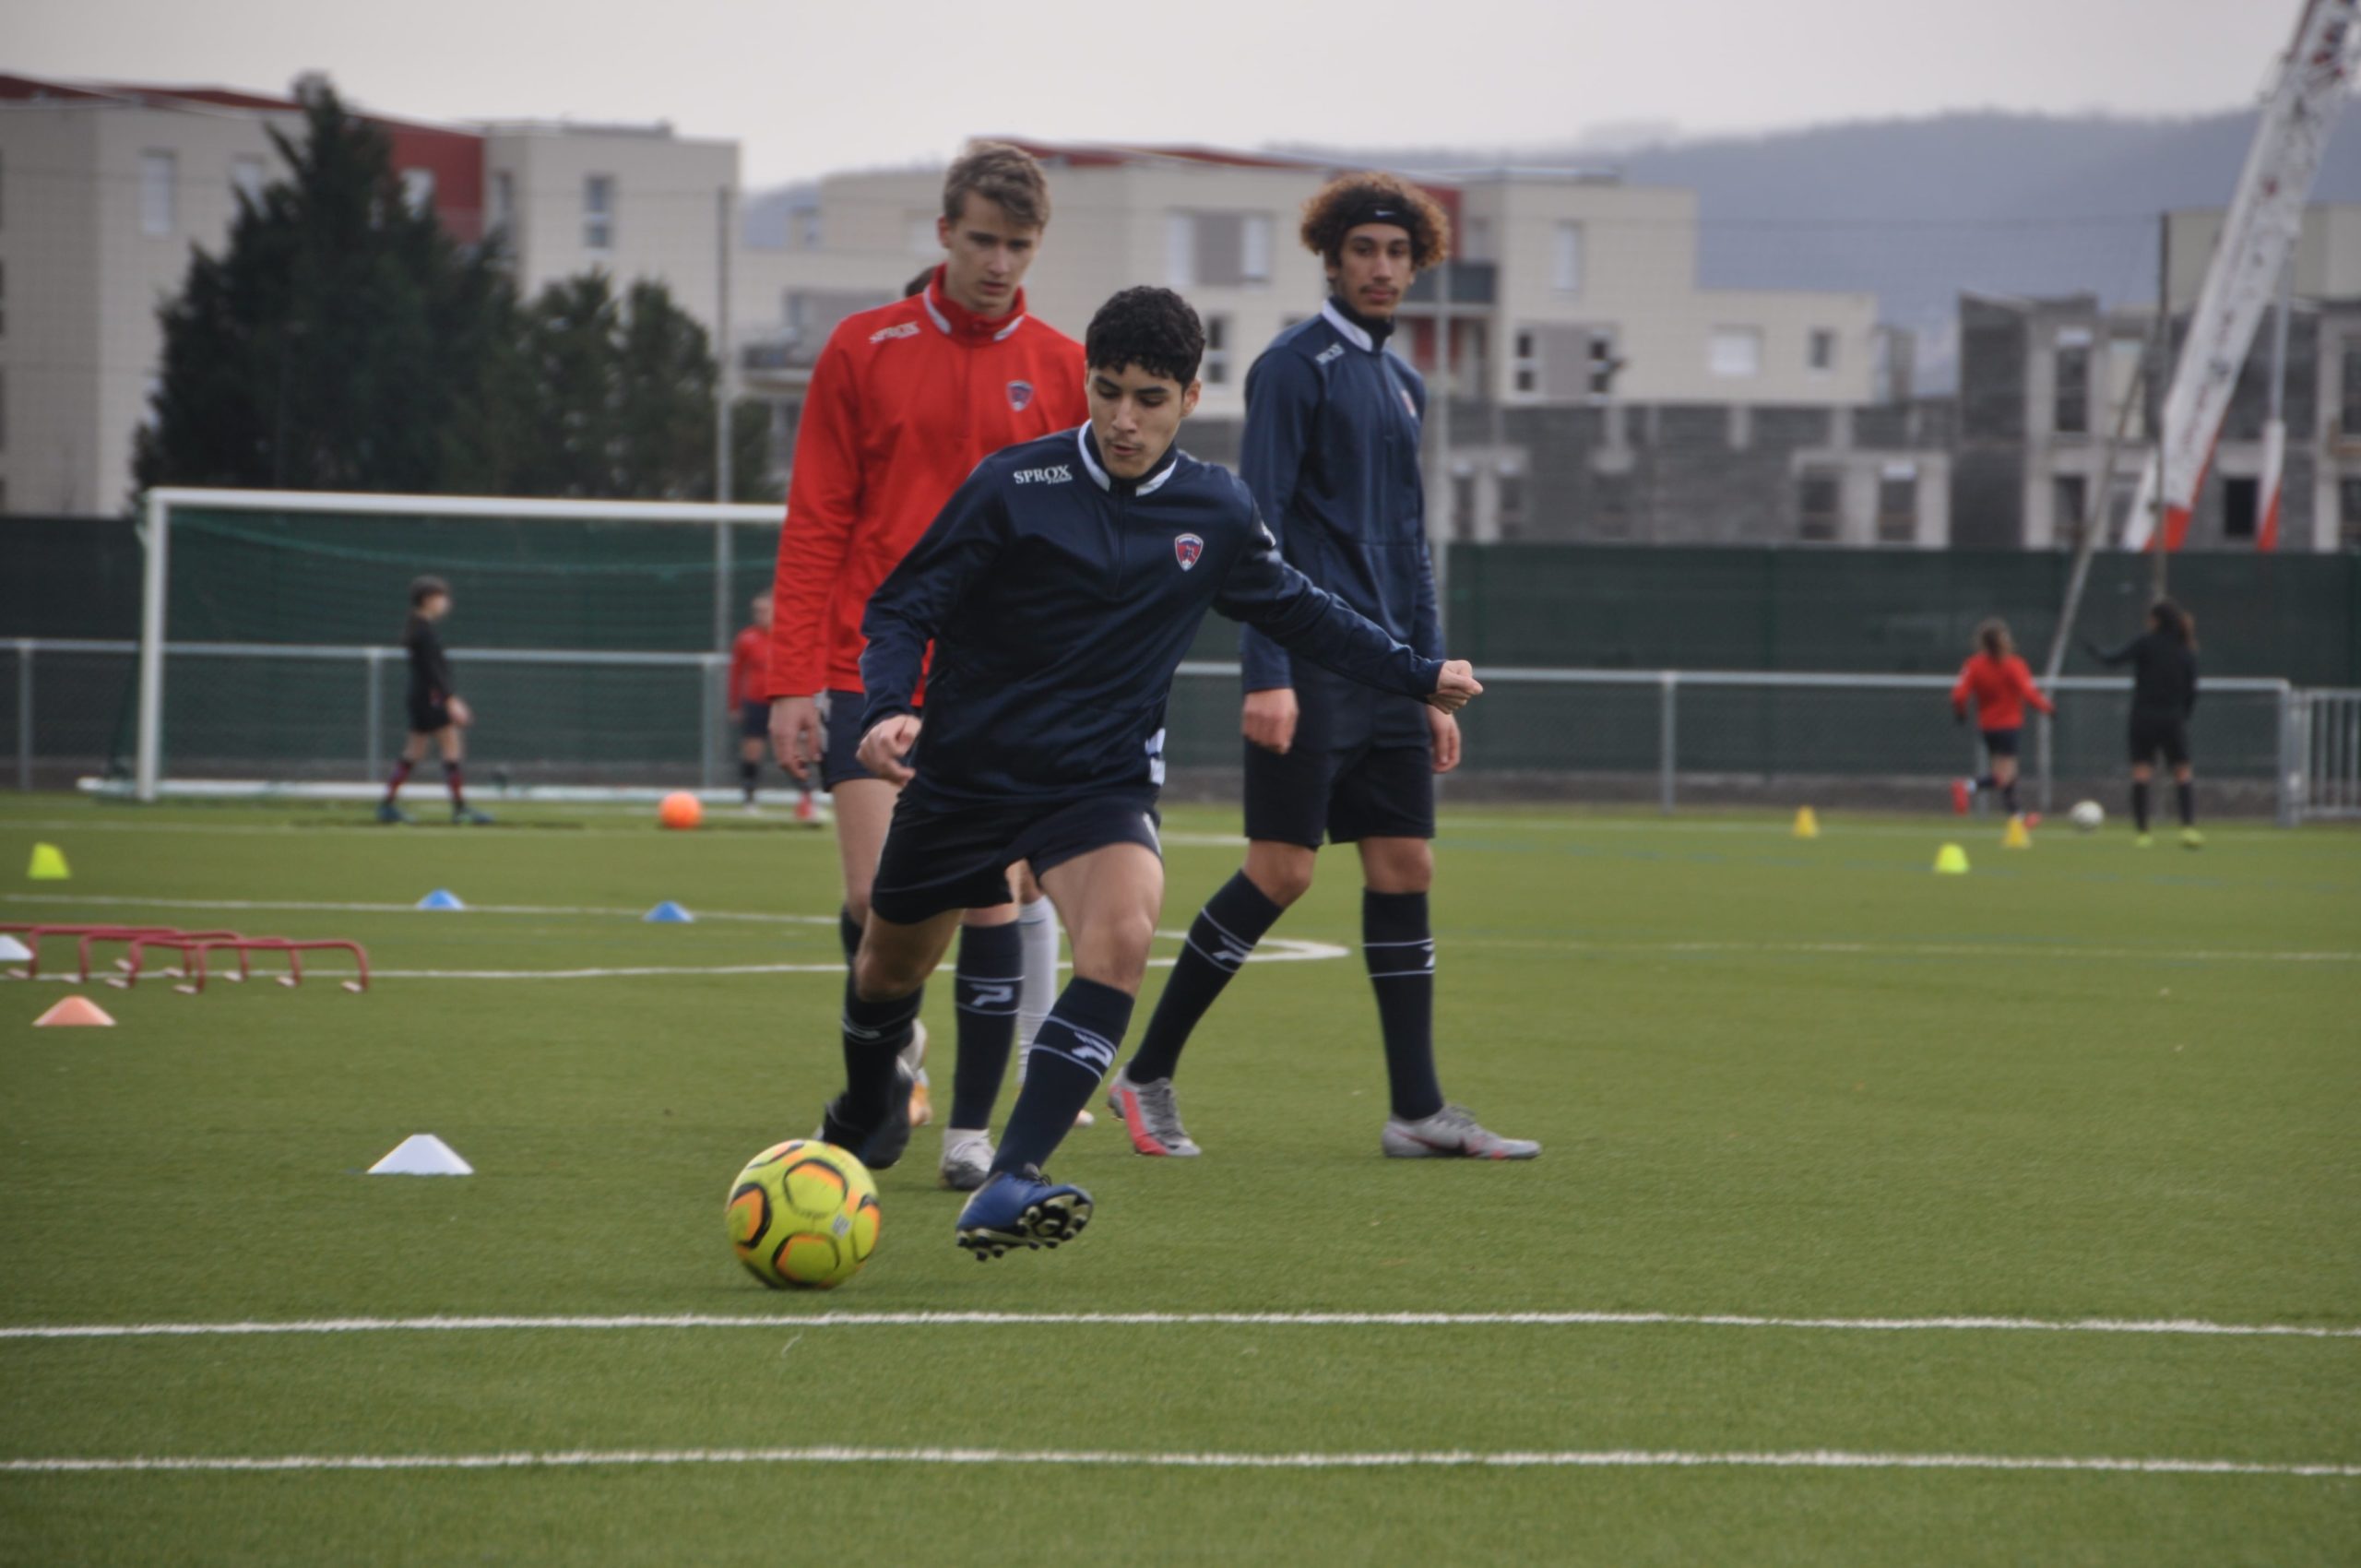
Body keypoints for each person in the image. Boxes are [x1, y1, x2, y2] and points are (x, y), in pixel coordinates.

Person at [824, 285, 1485, 1258]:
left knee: (1124, 934)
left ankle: (1012, 1176)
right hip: (965, 774)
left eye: (1149, 397)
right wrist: (886, 708)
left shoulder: (1214, 508)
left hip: (1097, 783)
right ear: (1086, 383)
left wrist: (1418, 673)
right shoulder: (1014, 485)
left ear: (1191, 394)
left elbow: (1301, 609)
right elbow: (900, 606)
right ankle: (868, 1094)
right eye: (1106, 392)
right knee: (886, 970)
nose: (1124, 419)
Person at [1107, 172, 1536, 1163]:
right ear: (1331, 260)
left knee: (1404, 863)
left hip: (1385, 670)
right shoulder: (1291, 368)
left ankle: (1418, 1109)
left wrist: (1427, 679)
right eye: (1363, 252)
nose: (1381, 268)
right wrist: (1268, 670)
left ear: (1415, 262)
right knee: (1282, 869)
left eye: (1397, 253)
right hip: (1307, 657)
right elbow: (1257, 530)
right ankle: (1147, 1071)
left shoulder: (1404, 380)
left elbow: (1407, 537)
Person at [765, 142, 1086, 1190]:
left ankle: (968, 1134)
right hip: (873, 662)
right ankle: (893, 1048)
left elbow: (1082, 542)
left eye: (1020, 245)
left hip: (999, 682)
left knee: (991, 892)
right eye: (983, 239)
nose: (1000, 262)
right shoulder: (864, 347)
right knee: (875, 901)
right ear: (945, 233)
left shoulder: (1065, 367)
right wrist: (789, 678)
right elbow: (817, 517)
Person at [2086, 600, 2201, 849]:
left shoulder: (2145, 643)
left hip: (2143, 718)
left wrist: (2093, 650)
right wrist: (2183, 715)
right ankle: (2188, 829)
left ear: (2156, 620)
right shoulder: (2185, 649)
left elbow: (2112, 659)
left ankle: (2143, 834)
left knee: (2141, 774)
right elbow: (2192, 690)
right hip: (2173, 719)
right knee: (2182, 772)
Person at [378, 576, 492, 826]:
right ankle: (460, 808)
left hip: (421, 698)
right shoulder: (423, 632)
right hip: (431, 699)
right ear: (428, 600)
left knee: (414, 751)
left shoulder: (420, 628)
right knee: (451, 748)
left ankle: (387, 805)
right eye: (442, 597)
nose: (447, 603)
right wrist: (450, 700)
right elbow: (432, 672)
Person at [1949, 618, 2054, 825]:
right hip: (2009, 726)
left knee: (2003, 774)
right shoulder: (2014, 665)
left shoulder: (1973, 665)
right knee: (2006, 775)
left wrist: (1961, 713)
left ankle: (2017, 818)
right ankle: (1967, 786)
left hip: (1988, 727)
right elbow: (2029, 692)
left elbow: (1959, 695)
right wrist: (2048, 708)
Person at [728, 592, 804, 814]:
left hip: (782, 702)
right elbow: (736, 673)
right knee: (752, 750)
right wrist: (735, 705)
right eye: (757, 611)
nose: (760, 615)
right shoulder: (746, 639)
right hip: (755, 703)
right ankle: (749, 799)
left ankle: (806, 798)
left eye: (765, 610)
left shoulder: (788, 637)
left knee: (792, 750)